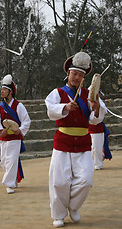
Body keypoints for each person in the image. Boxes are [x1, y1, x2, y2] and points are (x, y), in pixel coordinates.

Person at [45, 51, 107, 227]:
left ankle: (73, 206)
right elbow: (50, 109)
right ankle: (58, 214)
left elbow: (97, 118)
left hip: (83, 142)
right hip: (63, 140)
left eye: (80, 75)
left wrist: (95, 107)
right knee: (58, 181)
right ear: (68, 74)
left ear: (84, 78)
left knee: (86, 179)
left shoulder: (89, 94)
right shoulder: (57, 92)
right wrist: (65, 107)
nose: (77, 78)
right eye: (74, 74)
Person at [0, 74, 31, 194]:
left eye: (4, 89)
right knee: (4, 161)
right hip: (4, 138)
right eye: (1, 89)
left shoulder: (19, 106)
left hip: (15, 138)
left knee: (12, 160)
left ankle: (8, 184)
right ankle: (13, 179)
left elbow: (26, 120)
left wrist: (19, 129)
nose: (2, 91)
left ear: (10, 92)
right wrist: (0, 130)